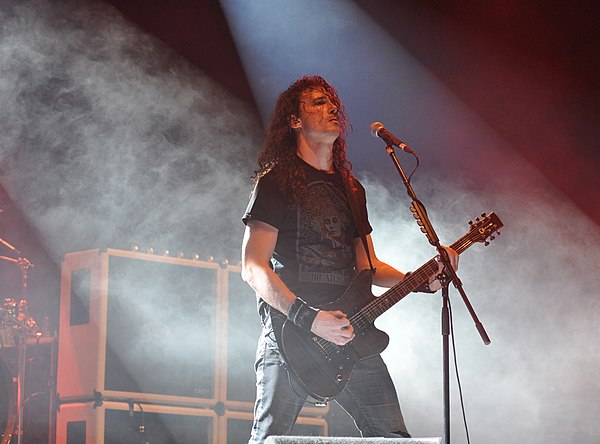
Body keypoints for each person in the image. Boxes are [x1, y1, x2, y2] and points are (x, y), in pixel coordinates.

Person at [241, 75, 458, 443]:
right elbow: (253, 267)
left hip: (351, 334)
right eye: (318, 103)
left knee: (392, 438)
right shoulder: (276, 180)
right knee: (269, 440)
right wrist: (308, 318)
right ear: (294, 120)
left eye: (333, 103)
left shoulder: (352, 189)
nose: (332, 109)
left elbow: (368, 267)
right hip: (291, 333)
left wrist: (421, 278)